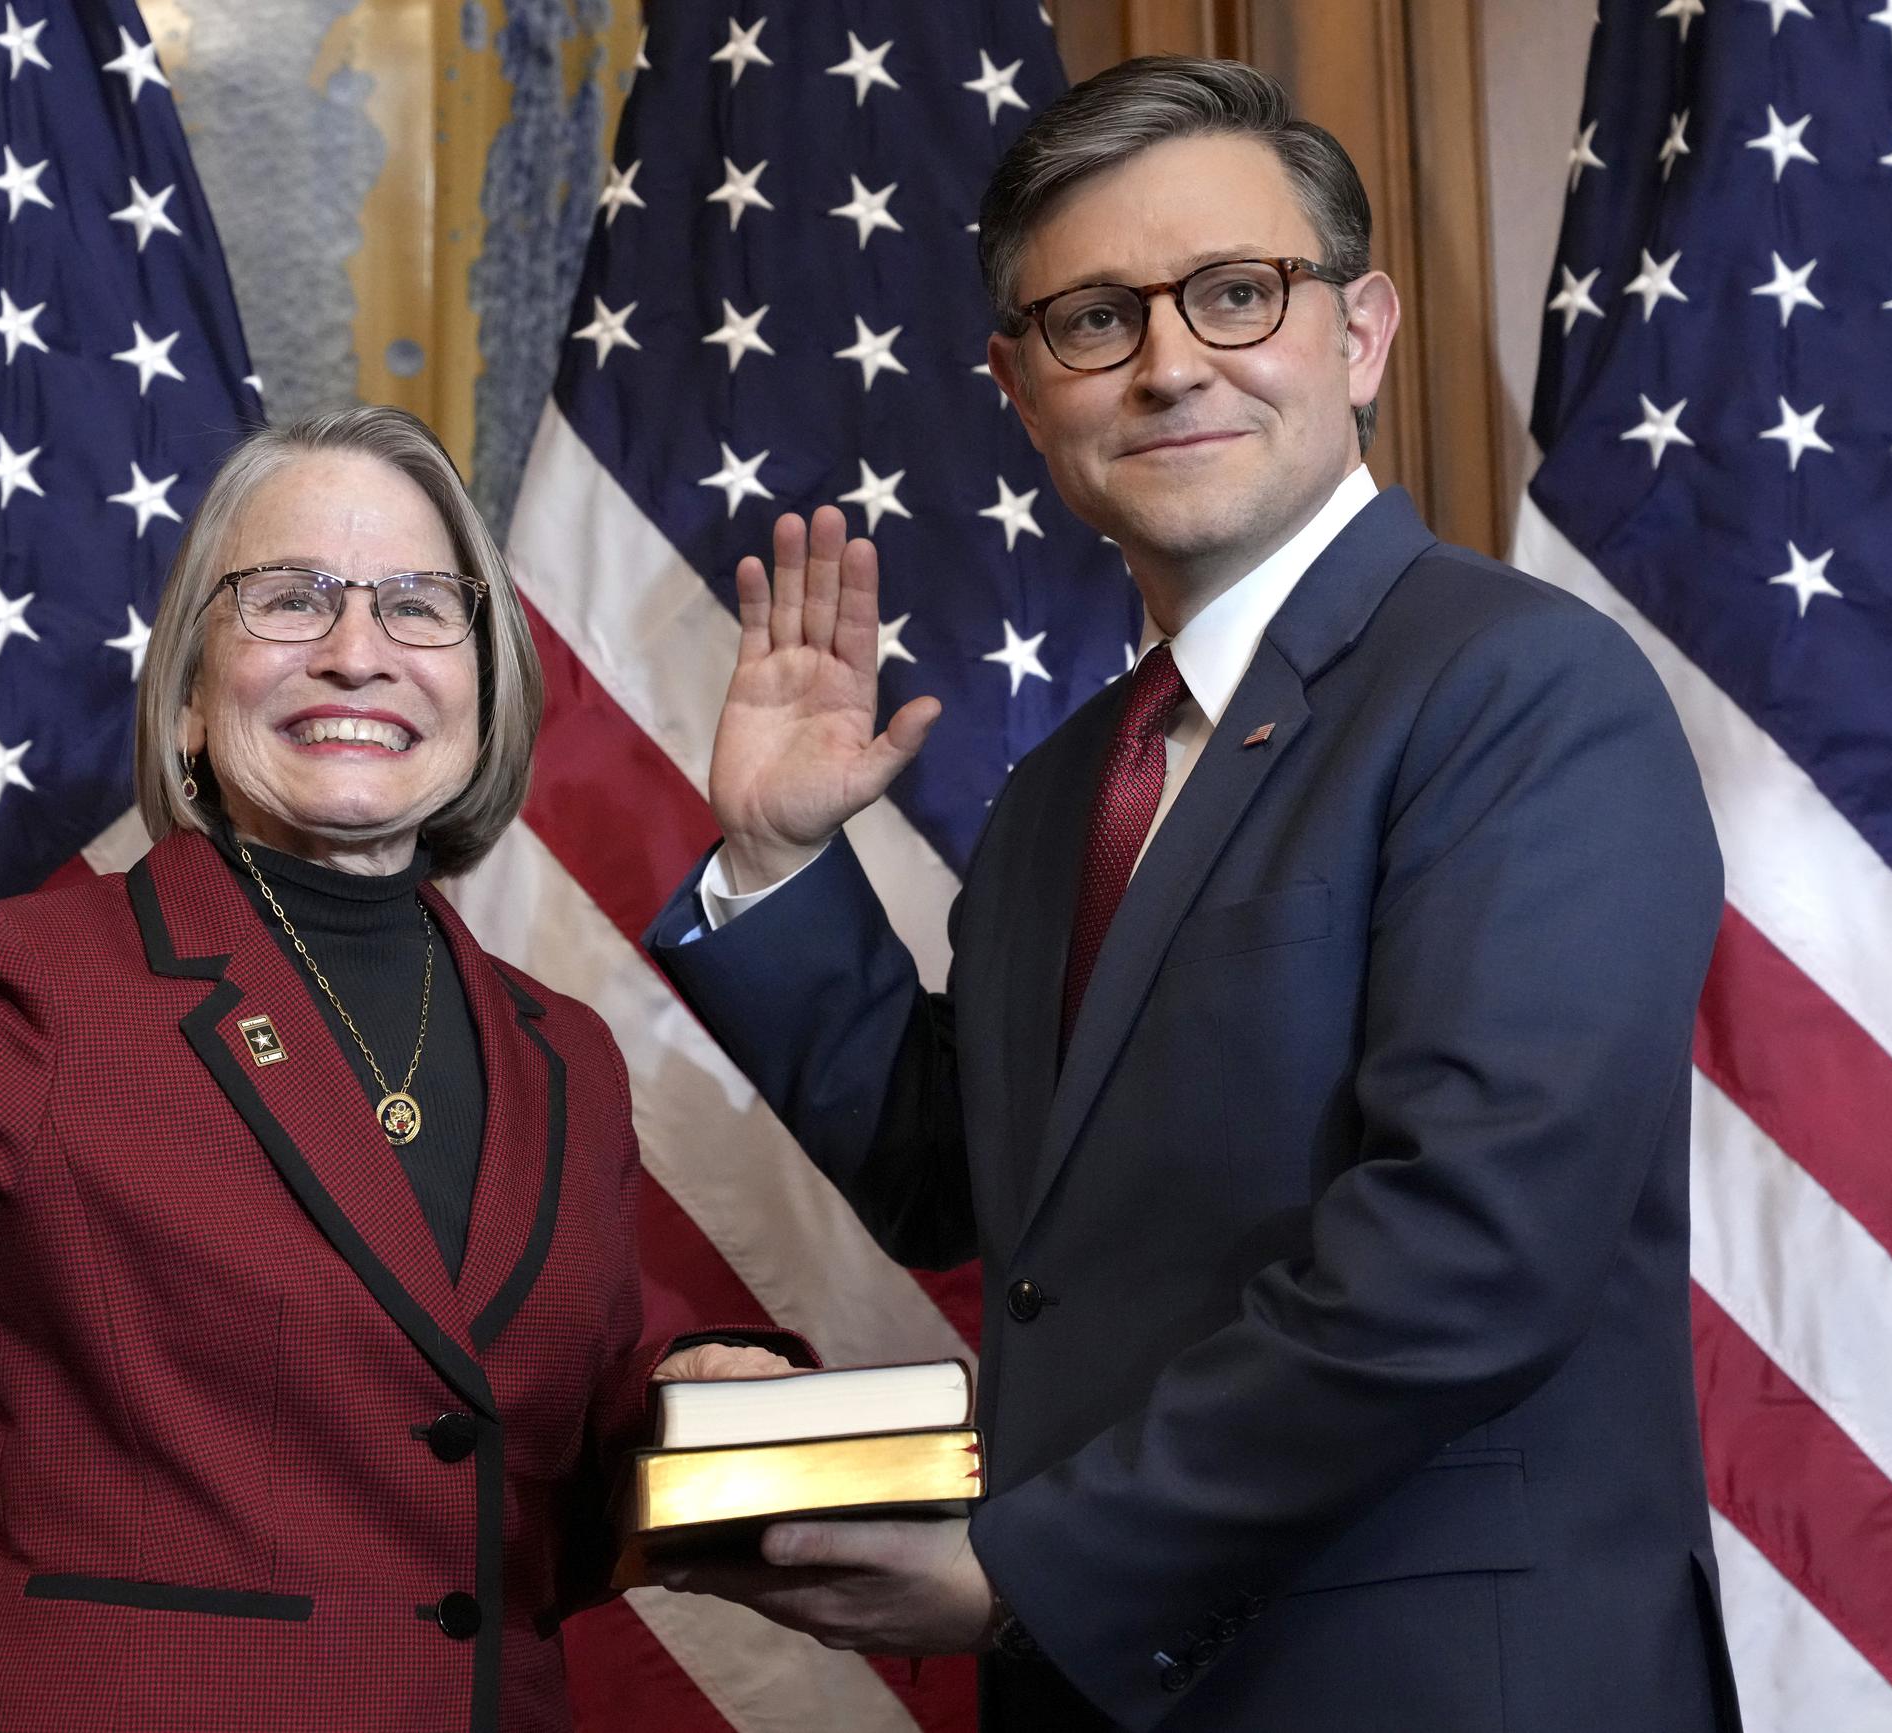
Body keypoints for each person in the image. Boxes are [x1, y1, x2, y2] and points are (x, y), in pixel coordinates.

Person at [643, 56, 1739, 1733]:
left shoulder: (1519, 689)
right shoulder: (1069, 787)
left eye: (1237, 294)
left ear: (1357, 335)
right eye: (1094, 319)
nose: (1169, 366)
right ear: (1021, 388)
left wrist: (1034, 1564)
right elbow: (970, 1187)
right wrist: (785, 861)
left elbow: (1470, 1245)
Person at [0, 405, 795, 1732]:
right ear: (194, 693)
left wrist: (701, 1383)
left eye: (418, 606)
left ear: (486, 684)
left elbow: (527, 1424)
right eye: (289, 598)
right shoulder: (35, 983)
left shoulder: (563, 1051)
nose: (355, 652)